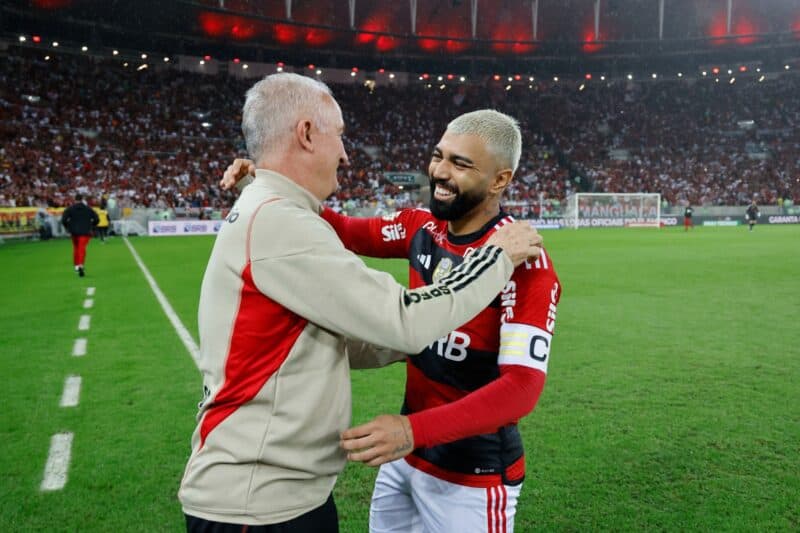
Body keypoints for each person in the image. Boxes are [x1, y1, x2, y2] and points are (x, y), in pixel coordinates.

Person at [179, 74, 542, 533]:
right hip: (287, 492)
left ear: (500, 180)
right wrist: (271, 180)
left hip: (469, 471)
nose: (440, 172)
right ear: (308, 134)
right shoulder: (423, 229)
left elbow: (522, 387)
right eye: (438, 156)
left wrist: (266, 180)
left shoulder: (529, 261)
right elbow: (361, 258)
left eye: (461, 163)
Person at [60, 193, 99, 277]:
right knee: (82, 248)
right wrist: (91, 226)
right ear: (82, 199)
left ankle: (76, 265)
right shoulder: (88, 209)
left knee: (76, 248)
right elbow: (96, 219)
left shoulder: (70, 209)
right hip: (85, 232)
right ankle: (81, 264)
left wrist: (68, 227)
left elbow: (63, 220)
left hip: (74, 232)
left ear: (75, 199)